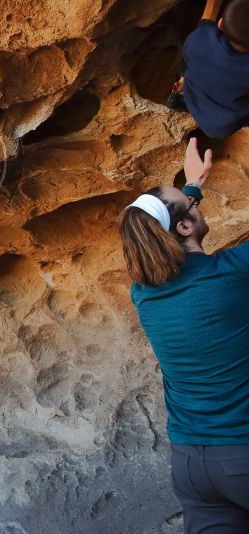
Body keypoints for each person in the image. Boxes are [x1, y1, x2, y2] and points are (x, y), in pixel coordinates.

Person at [118, 137, 249, 533]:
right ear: (186, 225)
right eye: (192, 205)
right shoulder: (233, 272)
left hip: (193, 467)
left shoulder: (144, 295)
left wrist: (192, 188)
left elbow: (158, 227)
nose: (195, 201)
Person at [168, 0, 249, 139]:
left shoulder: (199, 39)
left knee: (196, 57)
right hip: (223, 125)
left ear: (220, 24)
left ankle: (183, 86)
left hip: (198, 102)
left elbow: (206, 23)